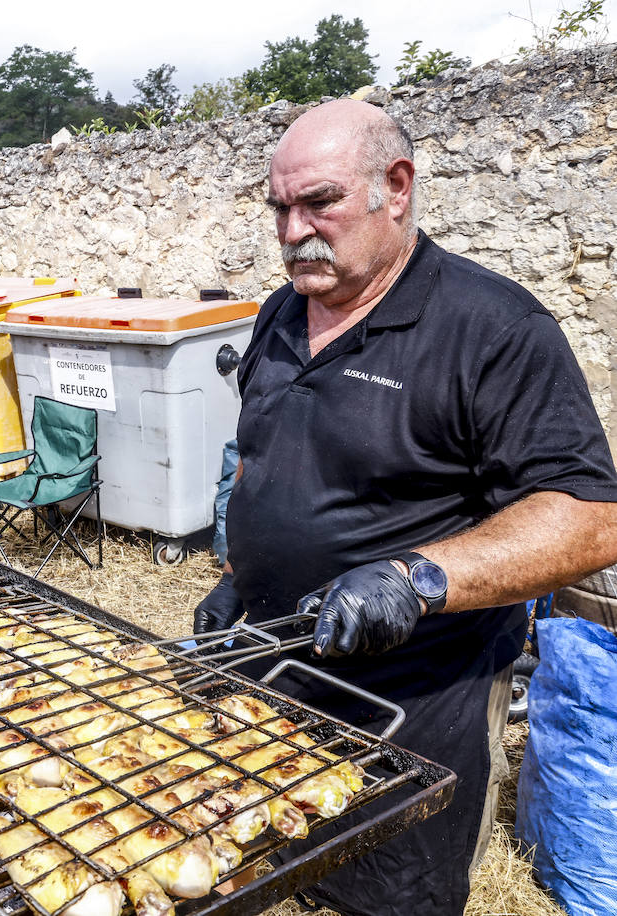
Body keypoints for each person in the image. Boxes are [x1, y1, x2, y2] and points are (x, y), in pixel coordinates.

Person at [191, 99, 617, 916]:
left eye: (319, 203)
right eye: (279, 207)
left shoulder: (493, 328)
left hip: (416, 699)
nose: (291, 231)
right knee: (256, 857)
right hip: (273, 667)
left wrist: (417, 578)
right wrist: (242, 578)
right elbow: (269, 454)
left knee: (388, 892)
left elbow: (589, 515)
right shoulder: (282, 311)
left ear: (396, 187)